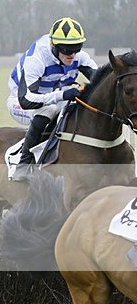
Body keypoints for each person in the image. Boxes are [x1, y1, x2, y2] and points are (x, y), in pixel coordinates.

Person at [8, 17, 97, 182]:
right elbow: (26, 100)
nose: (72, 55)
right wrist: (62, 95)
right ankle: (23, 165)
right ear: (53, 46)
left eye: (77, 49)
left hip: (54, 96)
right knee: (49, 110)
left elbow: (101, 81)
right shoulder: (37, 59)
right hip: (21, 101)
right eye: (67, 50)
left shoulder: (79, 56)